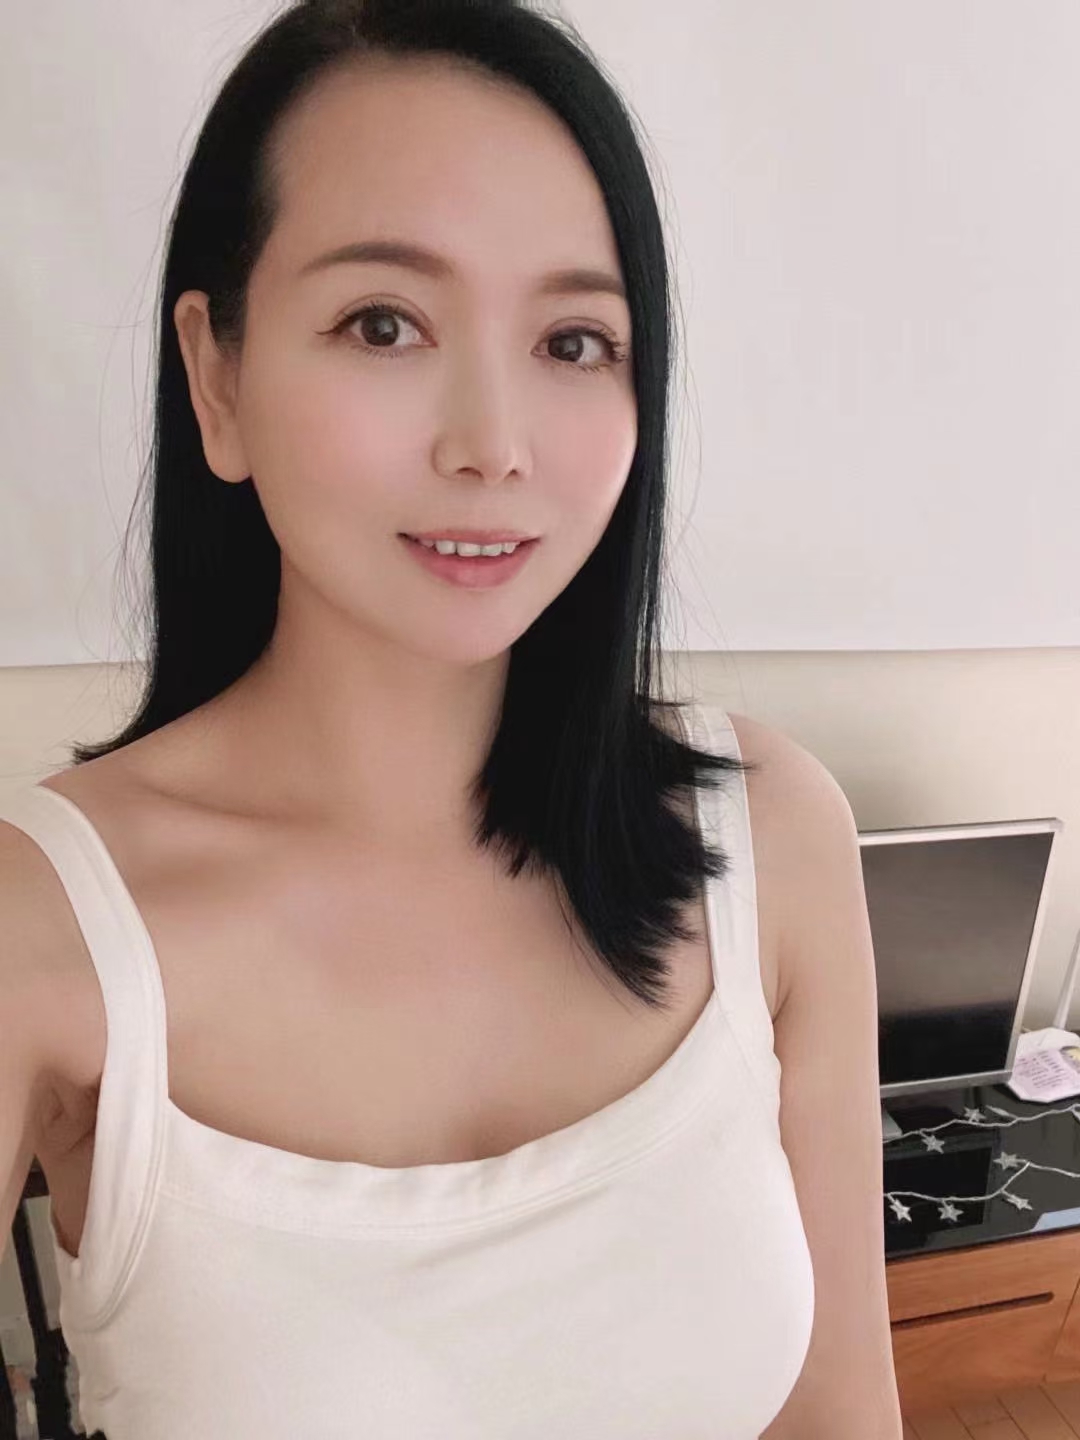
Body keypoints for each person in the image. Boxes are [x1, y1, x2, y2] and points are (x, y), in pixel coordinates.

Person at [0, 1, 826, 1435]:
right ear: (216, 377)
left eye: (575, 339)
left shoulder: (771, 832)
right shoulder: (41, 926)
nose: (491, 445)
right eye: (383, 324)